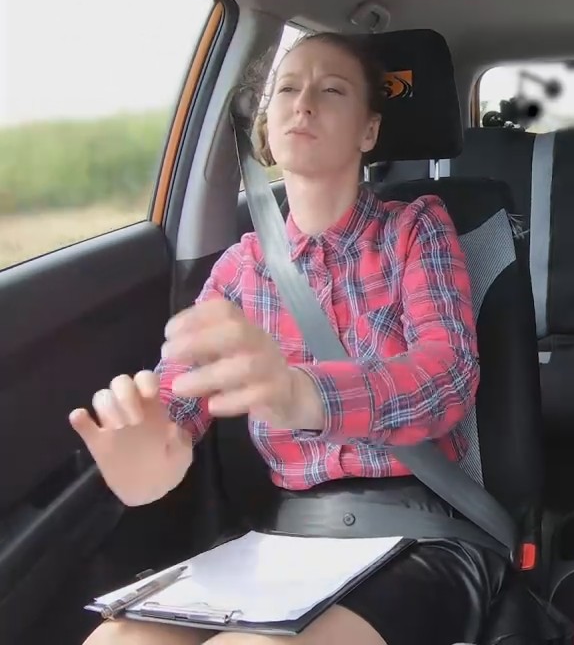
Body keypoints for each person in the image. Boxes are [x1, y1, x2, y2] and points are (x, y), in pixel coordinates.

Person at [73, 32, 501, 645]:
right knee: (115, 640)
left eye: (332, 90)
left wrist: (304, 394)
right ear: (267, 127)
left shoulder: (415, 228)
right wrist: (156, 446)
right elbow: (179, 393)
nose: (303, 104)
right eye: (288, 89)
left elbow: (447, 376)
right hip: (287, 539)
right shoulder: (239, 269)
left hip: (421, 529)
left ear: (369, 130)